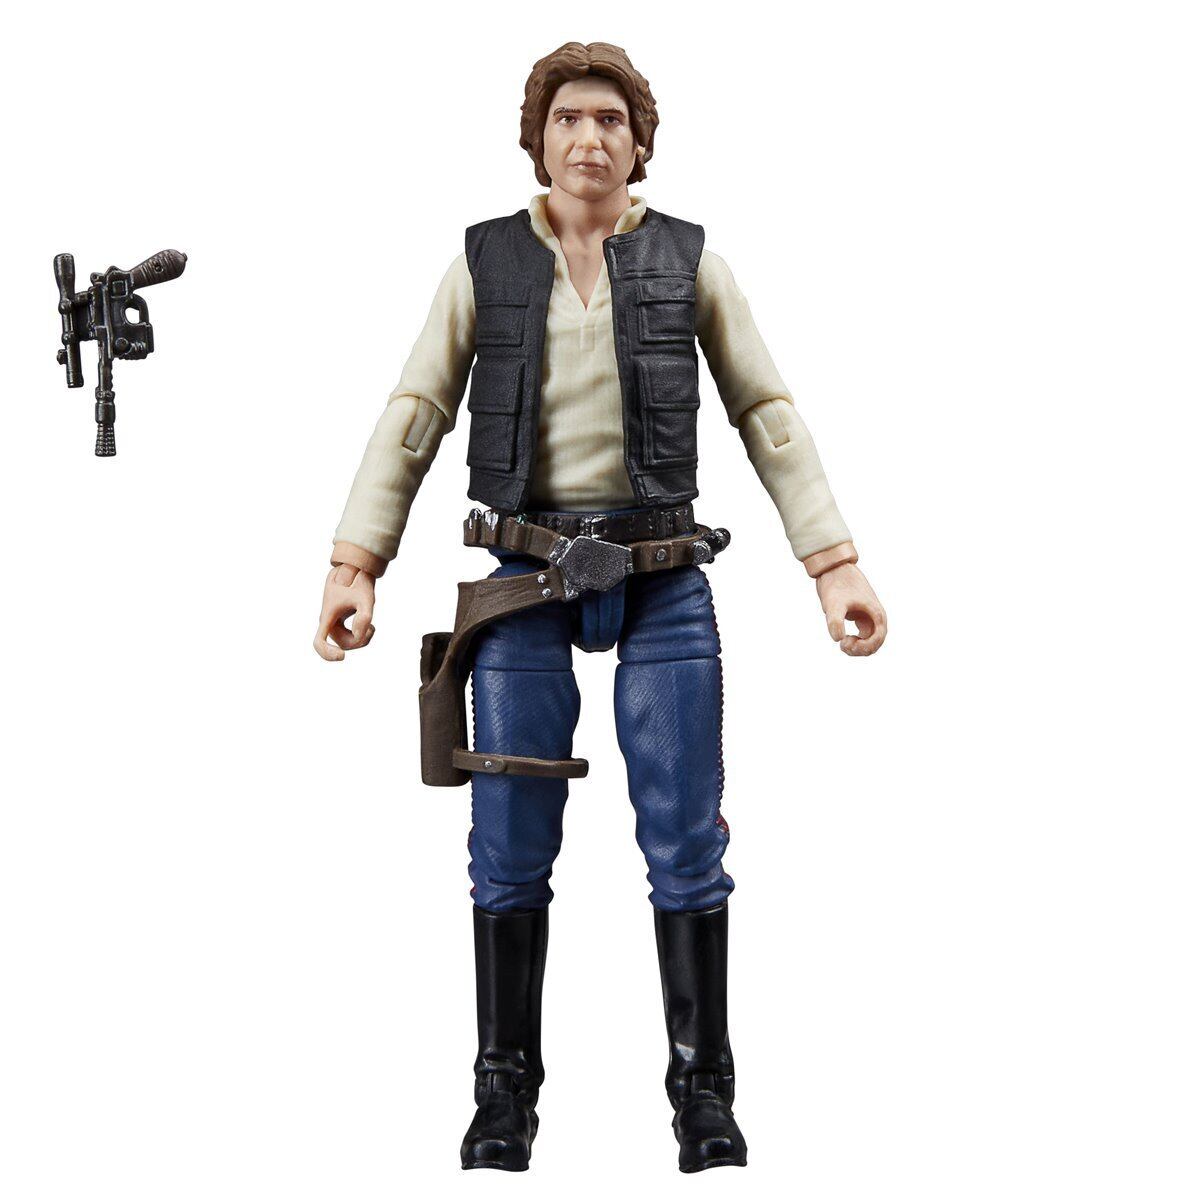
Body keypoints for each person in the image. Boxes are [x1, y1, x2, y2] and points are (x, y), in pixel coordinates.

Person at [314, 41, 887, 1173]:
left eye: (611, 120)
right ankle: (503, 1092)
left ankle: (703, 1092)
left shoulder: (690, 260)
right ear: (538, 139)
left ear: (640, 142)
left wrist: (833, 563)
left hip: (661, 571)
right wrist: (354, 558)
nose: (589, 138)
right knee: (505, 841)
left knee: (687, 838)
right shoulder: (484, 262)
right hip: (521, 580)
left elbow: (766, 410)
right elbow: (417, 410)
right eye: (569, 118)